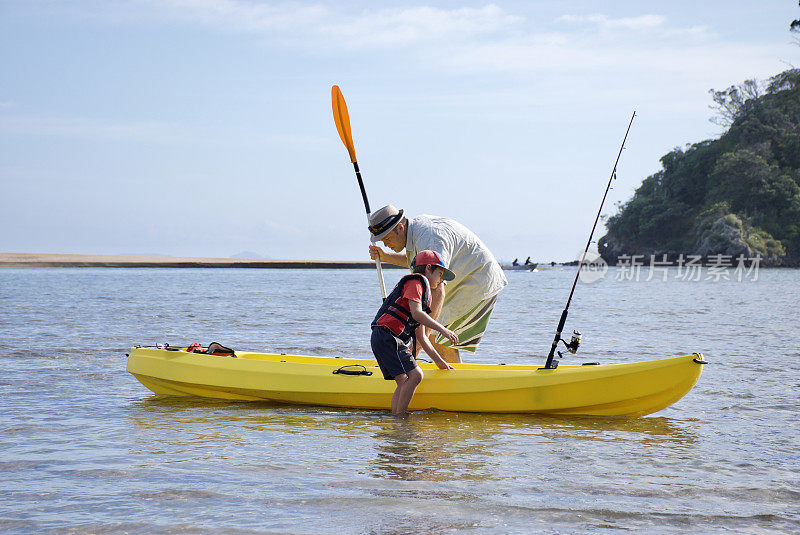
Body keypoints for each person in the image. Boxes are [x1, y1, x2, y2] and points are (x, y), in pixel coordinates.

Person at [368, 205, 507, 363]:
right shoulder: (415, 233)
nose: (385, 244)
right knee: (432, 333)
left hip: (476, 280)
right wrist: (386, 257)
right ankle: (450, 376)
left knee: (434, 333)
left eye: (387, 239)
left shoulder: (430, 238)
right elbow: (418, 264)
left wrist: (418, 344)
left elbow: (438, 289)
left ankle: (453, 380)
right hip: (460, 281)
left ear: (400, 227)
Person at [371, 250, 458, 415]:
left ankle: (396, 418)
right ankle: (401, 419)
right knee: (416, 375)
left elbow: (422, 337)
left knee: (403, 380)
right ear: (428, 269)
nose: (441, 280)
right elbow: (417, 314)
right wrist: (443, 330)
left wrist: (440, 362)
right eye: (440, 274)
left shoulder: (422, 295)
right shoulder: (416, 284)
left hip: (383, 338)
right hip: (387, 336)